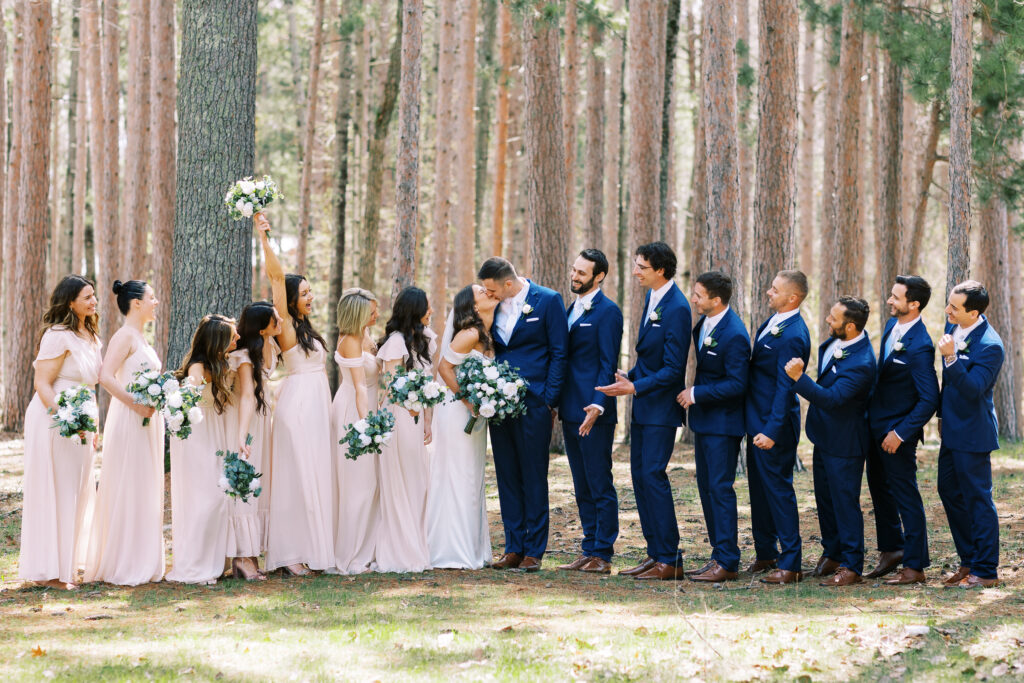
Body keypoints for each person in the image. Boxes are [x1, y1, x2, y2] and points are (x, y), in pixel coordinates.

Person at [597, 242, 691, 581]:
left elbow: (672, 368)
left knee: (653, 477)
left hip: (661, 410)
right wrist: (630, 376)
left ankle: (671, 558)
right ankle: (656, 555)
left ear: (661, 270)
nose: (635, 271)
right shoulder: (652, 299)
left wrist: (634, 387)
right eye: (636, 265)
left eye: (642, 267)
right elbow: (649, 361)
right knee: (639, 479)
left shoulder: (677, 307)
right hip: (643, 406)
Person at [255, 212, 335, 575]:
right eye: (303, 293)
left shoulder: (306, 327)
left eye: (309, 291)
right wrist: (264, 237)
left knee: (313, 474)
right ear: (288, 299)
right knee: (296, 476)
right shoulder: (284, 325)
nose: (310, 297)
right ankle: (290, 554)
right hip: (298, 406)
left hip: (316, 405)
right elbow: (274, 275)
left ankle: (311, 548)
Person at [479, 257, 568, 573]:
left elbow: (559, 352)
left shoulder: (548, 301)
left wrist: (549, 399)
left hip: (534, 403)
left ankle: (534, 550)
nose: (488, 295)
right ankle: (513, 547)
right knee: (506, 475)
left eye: (492, 289)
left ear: (507, 283)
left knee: (533, 475)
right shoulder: (493, 306)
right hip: (500, 405)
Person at [19, 275, 103, 590]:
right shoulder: (57, 335)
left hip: (83, 420)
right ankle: (49, 571)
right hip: (53, 420)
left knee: (77, 491)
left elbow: (92, 386)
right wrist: (65, 417)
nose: (93, 302)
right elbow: (42, 383)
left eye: (94, 296)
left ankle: (67, 565)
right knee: (55, 490)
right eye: (86, 297)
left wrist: (93, 425)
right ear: (70, 302)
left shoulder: (93, 336)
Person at [785, 296, 875, 587]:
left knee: (845, 502)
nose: (827, 321)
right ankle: (833, 552)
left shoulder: (862, 363)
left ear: (850, 326)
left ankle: (852, 565)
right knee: (825, 499)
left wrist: (799, 379)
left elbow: (833, 399)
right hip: (823, 437)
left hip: (846, 443)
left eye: (833, 319)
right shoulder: (832, 343)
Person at [84, 280, 165, 586]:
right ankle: (124, 561)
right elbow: (104, 376)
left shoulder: (141, 338)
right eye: (151, 298)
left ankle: (142, 557)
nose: (155, 302)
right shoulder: (124, 336)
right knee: (129, 483)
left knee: (143, 485)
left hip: (147, 418)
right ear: (136, 303)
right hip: (129, 417)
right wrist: (136, 404)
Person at [865, 276, 939, 585]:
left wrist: (901, 433)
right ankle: (892, 550)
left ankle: (915, 566)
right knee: (880, 492)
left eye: (896, 298)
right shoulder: (890, 328)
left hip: (897, 435)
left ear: (914, 304)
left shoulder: (921, 345)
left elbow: (929, 398)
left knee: (906, 496)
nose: (889, 301)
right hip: (876, 428)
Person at [678, 271, 749, 583]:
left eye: (698, 295)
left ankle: (729, 561)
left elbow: (737, 383)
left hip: (724, 424)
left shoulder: (734, 334)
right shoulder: (702, 325)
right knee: (707, 489)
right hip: (706, 422)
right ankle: (717, 553)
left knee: (720, 489)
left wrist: (696, 393)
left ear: (716, 301)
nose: (693, 299)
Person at [557, 250, 623, 575]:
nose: (575, 276)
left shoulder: (608, 312)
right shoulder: (571, 308)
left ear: (599, 277)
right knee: (581, 483)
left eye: (582, 273)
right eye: (574, 269)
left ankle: (603, 553)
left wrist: (598, 405)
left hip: (593, 411)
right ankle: (588, 547)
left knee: (599, 481)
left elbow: (607, 362)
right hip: (570, 409)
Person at [936, 280, 1004, 589]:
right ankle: (969, 560)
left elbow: (974, 389)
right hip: (951, 431)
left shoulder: (990, 345)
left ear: (973, 312)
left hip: (974, 434)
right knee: (948, 491)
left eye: (954, 307)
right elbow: (948, 387)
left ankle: (986, 570)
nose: (947, 310)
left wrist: (951, 358)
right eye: (948, 303)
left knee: (978, 500)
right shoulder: (954, 332)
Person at [744, 270, 811, 585]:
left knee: (779, 491)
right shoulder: (772, 323)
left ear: (792, 297)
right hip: (756, 418)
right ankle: (766, 553)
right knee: (759, 490)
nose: (768, 292)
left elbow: (786, 388)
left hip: (776, 424)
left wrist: (771, 431)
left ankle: (791, 563)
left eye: (775, 289)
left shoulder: (794, 334)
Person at [428, 284, 500, 569]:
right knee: (457, 475)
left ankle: (472, 547)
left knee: (471, 476)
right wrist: (468, 399)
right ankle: (450, 549)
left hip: (474, 413)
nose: (488, 292)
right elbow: (444, 369)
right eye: (482, 292)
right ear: (472, 307)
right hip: (457, 411)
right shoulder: (469, 334)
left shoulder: (485, 334)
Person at [166, 315, 239, 585]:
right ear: (217, 341)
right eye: (232, 336)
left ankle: (216, 560)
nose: (237, 339)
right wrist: (188, 392)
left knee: (220, 495)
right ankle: (196, 562)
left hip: (215, 431)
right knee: (205, 498)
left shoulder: (223, 362)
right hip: (197, 434)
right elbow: (192, 384)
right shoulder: (198, 366)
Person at [375, 286, 436, 573]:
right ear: (415, 310)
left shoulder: (423, 341)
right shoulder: (396, 343)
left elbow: (428, 382)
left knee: (417, 480)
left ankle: (416, 541)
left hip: (415, 416)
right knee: (401, 477)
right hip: (398, 417)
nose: (431, 311)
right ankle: (400, 548)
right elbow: (391, 384)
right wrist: (411, 407)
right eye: (427, 307)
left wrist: (426, 418)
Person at [226, 301, 283, 581]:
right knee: (245, 485)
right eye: (275, 320)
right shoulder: (245, 355)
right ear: (262, 328)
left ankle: (253, 552)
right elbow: (247, 395)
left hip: (263, 421)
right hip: (247, 422)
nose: (281, 321)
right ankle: (242, 557)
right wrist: (242, 435)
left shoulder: (268, 345)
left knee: (260, 485)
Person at [331, 288, 382, 574]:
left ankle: (367, 548)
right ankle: (349, 556)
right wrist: (366, 425)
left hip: (368, 406)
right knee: (357, 484)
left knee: (370, 484)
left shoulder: (365, 336)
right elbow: (361, 386)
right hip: (354, 411)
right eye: (372, 311)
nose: (376, 315)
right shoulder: (350, 341)